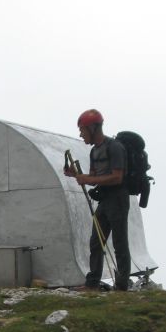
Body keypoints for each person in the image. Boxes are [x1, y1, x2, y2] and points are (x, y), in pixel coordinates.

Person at [65, 108, 131, 291]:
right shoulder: (95, 151)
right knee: (96, 241)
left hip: (117, 198)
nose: (81, 134)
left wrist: (88, 179)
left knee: (119, 242)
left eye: (82, 129)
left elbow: (117, 177)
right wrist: (77, 175)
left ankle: (122, 285)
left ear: (93, 128)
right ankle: (92, 283)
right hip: (105, 199)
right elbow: (95, 177)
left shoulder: (115, 147)